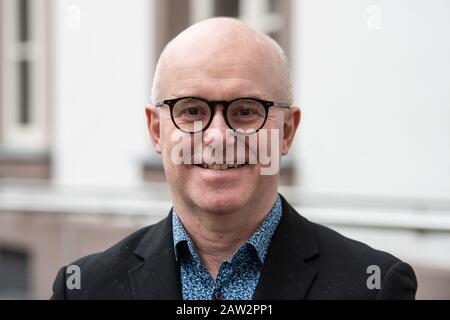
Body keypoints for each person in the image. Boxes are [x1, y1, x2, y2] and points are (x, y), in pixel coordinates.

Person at [51, 17, 417, 300]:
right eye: (191, 110)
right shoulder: (85, 288)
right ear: (156, 130)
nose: (219, 137)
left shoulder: (374, 286)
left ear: (287, 131)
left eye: (246, 111)